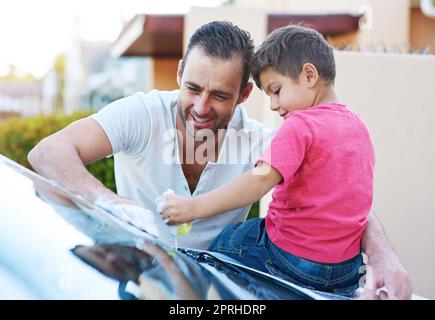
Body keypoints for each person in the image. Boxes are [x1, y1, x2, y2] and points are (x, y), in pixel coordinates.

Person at [28, 21, 411, 299]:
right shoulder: (140, 115)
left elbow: (333, 192)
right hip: (141, 281)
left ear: (244, 94)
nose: (200, 106)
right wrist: (111, 203)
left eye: (220, 96)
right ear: (179, 73)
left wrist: (383, 255)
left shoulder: (264, 138)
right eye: (192, 88)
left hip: (217, 293)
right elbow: (48, 153)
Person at [161, 24, 373, 296]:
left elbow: (257, 183)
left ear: (309, 75)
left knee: (226, 242)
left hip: (290, 257)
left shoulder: (300, 125)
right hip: (345, 269)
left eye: (276, 90)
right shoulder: (358, 127)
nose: (273, 104)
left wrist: (192, 208)